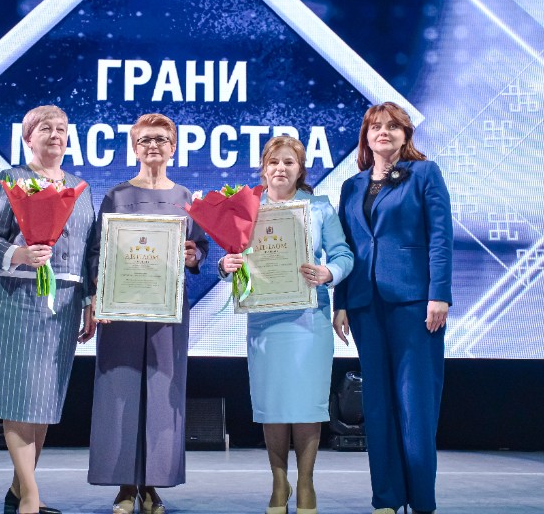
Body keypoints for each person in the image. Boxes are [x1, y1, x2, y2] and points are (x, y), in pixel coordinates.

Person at [219, 136, 354, 514]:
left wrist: (328, 272)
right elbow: (229, 257)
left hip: (309, 317)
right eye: (274, 162)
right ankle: (279, 482)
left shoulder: (319, 207)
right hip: (265, 318)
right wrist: (225, 265)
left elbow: (343, 254)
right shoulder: (246, 208)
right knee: (273, 404)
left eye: (289, 162)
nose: (281, 168)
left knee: (307, 405)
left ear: (300, 170)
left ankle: (306, 482)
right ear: (263, 169)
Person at [85, 113, 209, 514]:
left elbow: (199, 248)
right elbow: (97, 251)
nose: (153, 146)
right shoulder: (116, 196)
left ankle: (154, 485)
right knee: (118, 390)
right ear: (134, 148)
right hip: (121, 308)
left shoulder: (186, 197)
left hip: (167, 309)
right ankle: (124, 486)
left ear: (174, 147)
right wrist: (98, 294)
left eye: (161, 139)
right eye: (145, 140)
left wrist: (194, 255)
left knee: (162, 393)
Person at [332, 102, 452, 514]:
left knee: (415, 403)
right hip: (365, 303)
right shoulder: (352, 186)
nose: (383, 132)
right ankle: (386, 498)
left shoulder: (425, 174)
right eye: (375, 127)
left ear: (405, 135)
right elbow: (346, 247)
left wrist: (440, 294)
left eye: (392, 127)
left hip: (415, 303)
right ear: (366, 137)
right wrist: (341, 302)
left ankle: (421, 501)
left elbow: (440, 237)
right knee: (377, 405)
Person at [0, 105, 97, 514]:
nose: (56, 134)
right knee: (18, 396)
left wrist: (89, 301)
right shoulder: (11, 179)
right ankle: (30, 495)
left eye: (62, 128)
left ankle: (18, 493)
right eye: (46, 128)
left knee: (43, 400)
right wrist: (20, 254)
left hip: (65, 302)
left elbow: (88, 250)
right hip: (19, 297)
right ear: (28, 137)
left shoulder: (81, 187)